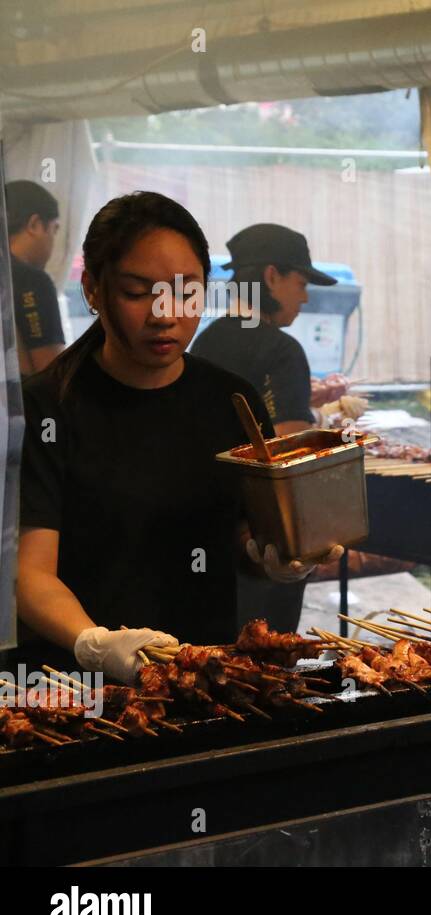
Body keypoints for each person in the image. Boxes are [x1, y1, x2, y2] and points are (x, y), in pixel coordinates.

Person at [16, 193, 341, 683]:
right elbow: (30, 572)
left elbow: (244, 534)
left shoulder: (233, 400)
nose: (165, 314)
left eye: (186, 292)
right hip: (72, 686)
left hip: (202, 678)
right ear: (93, 290)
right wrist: (94, 643)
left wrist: (273, 556)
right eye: (136, 291)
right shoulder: (45, 407)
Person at [190, 223, 338, 632]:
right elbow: (289, 457)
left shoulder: (204, 342)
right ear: (272, 276)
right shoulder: (282, 349)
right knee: (265, 672)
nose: (305, 297)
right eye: (301, 282)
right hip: (263, 544)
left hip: (203, 534)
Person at [5, 180, 66, 377]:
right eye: (54, 229)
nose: (52, 243)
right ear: (35, 225)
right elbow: (51, 373)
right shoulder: (32, 281)